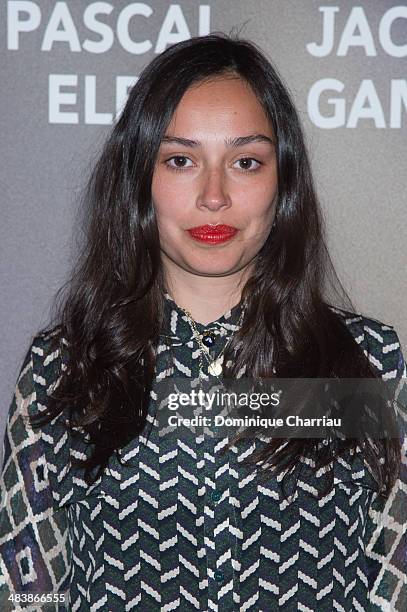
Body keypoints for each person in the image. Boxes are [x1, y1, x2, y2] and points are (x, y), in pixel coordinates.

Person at [0, 32, 406, 612]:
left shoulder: (365, 360)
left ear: (282, 180)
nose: (214, 196)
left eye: (245, 162)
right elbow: (26, 593)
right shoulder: (66, 366)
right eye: (182, 160)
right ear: (140, 178)